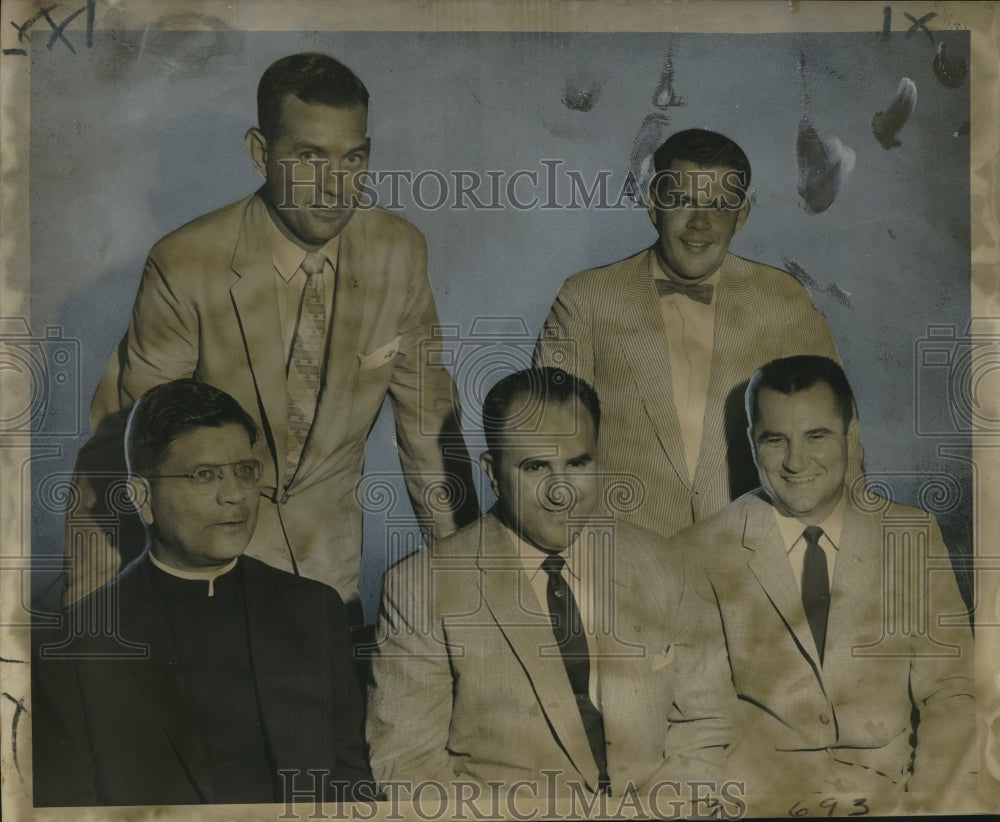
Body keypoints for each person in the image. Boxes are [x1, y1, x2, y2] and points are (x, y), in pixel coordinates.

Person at [69, 52, 478, 612]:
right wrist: (94, 618)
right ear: (261, 153)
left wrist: (474, 591)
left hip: (330, 587)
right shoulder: (186, 262)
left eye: (353, 159)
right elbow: (122, 450)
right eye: (310, 157)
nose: (337, 188)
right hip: (201, 594)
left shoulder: (398, 252)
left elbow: (431, 430)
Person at [365, 367, 732, 798]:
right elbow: (409, 768)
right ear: (492, 472)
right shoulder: (420, 589)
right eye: (536, 466)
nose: (561, 492)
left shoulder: (669, 564)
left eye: (577, 463)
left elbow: (707, 725)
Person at [33, 379, 372, 806]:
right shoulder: (78, 642)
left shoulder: (314, 610)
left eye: (245, 471)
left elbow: (350, 787)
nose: (235, 496)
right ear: (143, 497)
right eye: (204, 475)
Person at [672, 355, 975, 796]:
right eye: (775, 440)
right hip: (761, 801)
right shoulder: (699, 551)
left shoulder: (911, 536)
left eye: (817, 435)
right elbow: (699, 726)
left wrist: (930, 805)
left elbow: (951, 694)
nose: (796, 462)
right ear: (752, 443)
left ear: (850, 436)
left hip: (893, 794)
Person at [534, 128, 844, 541]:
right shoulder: (587, 298)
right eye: (682, 202)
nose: (700, 223)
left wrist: (840, 555)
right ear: (653, 205)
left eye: (718, 205)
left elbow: (841, 438)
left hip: (754, 558)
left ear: (742, 215)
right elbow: (544, 443)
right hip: (621, 560)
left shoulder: (782, 298)